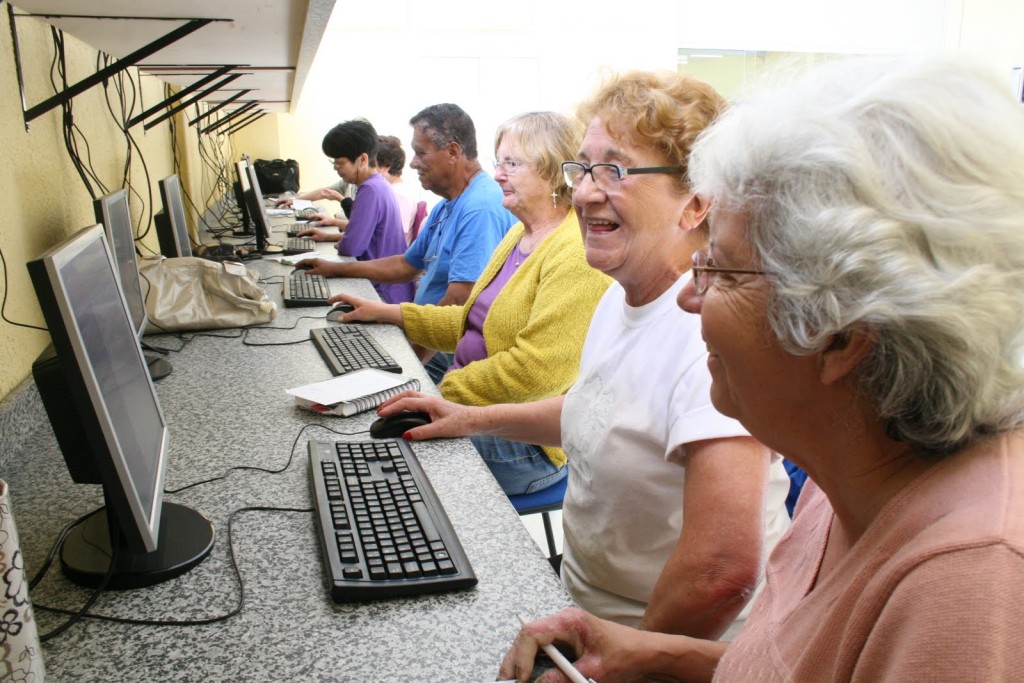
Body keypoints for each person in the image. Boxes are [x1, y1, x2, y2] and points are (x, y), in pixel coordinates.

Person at [497, 55, 1024, 682]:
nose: (689, 297)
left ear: (838, 332)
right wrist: (644, 654)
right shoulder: (847, 475)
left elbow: (723, 575)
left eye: (719, 270)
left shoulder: (968, 585)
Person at [379, 72, 790, 638]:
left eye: (615, 171)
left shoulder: (709, 334)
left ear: (695, 203)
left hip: (652, 638)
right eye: (584, 169)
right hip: (582, 604)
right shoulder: (620, 297)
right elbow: (592, 409)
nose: (586, 192)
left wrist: (621, 661)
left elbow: (720, 573)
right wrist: (465, 418)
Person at [329, 112, 612, 495]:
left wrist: (439, 394)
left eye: (512, 164)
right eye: (499, 163)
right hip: (474, 405)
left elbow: (534, 373)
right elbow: (471, 321)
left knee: (384, 452)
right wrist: (387, 312)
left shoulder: (574, 253)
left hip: (527, 443)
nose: (497, 175)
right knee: (364, 436)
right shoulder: (520, 234)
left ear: (552, 173)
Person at [298, 103, 515, 375]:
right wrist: (335, 269)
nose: (412, 163)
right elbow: (405, 265)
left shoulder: (480, 208)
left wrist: (411, 364)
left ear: (453, 152)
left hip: (445, 349)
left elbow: (461, 299)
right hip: (423, 330)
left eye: (420, 152)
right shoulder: (447, 204)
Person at [294, 119, 413, 304]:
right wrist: (329, 237)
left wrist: (342, 242)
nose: (336, 168)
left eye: (340, 163)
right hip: (390, 286)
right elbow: (370, 236)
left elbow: (352, 247)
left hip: (382, 292)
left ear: (363, 160)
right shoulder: (378, 185)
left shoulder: (370, 191)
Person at [376, 134, 431, 244]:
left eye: (371, 163)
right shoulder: (391, 191)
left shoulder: (399, 195)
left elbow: (394, 238)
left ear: (385, 166)